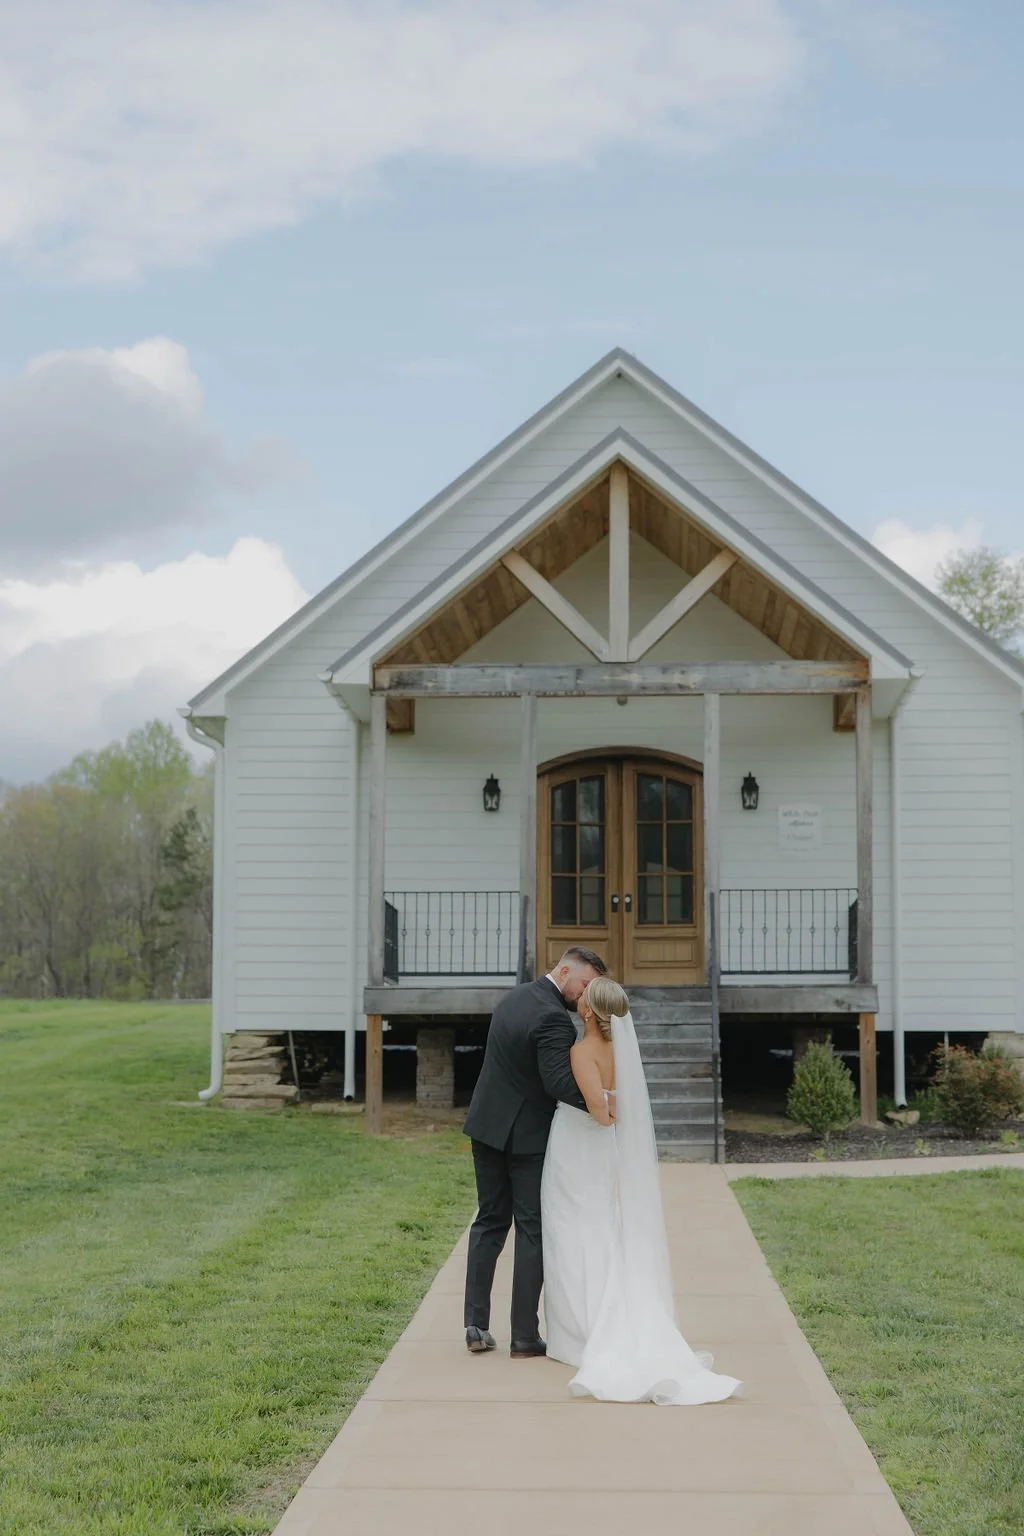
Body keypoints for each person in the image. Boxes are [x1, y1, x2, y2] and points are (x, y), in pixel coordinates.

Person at [541, 975, 742, 1405]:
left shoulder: (581, 1052)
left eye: (583, 1000)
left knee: (569, 1230)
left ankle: (581, 1330)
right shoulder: (620, 1052)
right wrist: (617, 1101)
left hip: (579, 1150)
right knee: (598, 1226)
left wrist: (608, 1103)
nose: (576, 1001)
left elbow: (600, 1113)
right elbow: (620, 1107)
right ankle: (586, 1320)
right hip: (602, 1153)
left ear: (590, 1012)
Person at [462, 946, 607, 1358]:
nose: (583, 996)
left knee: (489, 1220)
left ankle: (475, 1325)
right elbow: (558, 1084)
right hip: (525, 1138)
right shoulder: (553, 1019)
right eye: (583, 985)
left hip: (486, 1126)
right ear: (564, 971)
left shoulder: (511, 999)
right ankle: (524, 1335)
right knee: (531, 1230)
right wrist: (603, 1103)